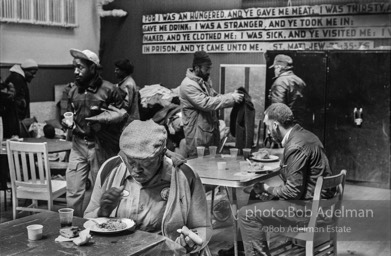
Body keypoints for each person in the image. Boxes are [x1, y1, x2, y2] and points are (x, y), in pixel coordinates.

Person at [84, 120, 212, 255]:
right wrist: (102, 212)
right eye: (131, 161)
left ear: (162, 155)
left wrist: (191, 242)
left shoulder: (184, 176)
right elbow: (86, 221)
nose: (136, 170)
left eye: (146, 163)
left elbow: (202, 227)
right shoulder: (110, 169)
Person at [236, 103, 334, 256]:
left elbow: (293, 191)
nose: (269, 132)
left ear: (275, 125)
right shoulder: (307, 135)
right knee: (256, 196)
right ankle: (245, 249)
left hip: (308, 210)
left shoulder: (295, 145)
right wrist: (272, 193)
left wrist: (267, 189)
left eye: (268, 127)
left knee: (246, 214)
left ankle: (251, 250)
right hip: (319, 204)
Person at [64, 48, 127, 217]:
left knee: (102, 188)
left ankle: (99, 226)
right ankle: (73, 226)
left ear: (92, 68)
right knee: (73, 190)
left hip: (101, 146)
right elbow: (69, 113)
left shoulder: (110, 90)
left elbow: (123, 116)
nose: (76, 71)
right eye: (74, 67)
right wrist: (67, 122)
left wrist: (104, 120)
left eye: (80, 67)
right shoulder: (73, 91)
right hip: (78, 144)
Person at [179, 50, 243, 157]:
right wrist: (231, 98)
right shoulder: (188, 85)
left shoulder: (203, 81)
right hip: (197, 137)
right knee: (199, 166)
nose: (209, 71)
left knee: (211, 165)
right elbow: (206, 103)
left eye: (210, 68)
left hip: (209, 134)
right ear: (197, 68)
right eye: (206, 68)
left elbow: (214, 97)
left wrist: (232, 95)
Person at [268, 54, 306, 126]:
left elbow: (277, 111)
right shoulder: (300, 81)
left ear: (279, 67)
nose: (274, 71)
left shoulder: (279, 82)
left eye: (275, 68)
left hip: (285, 127)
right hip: (299, 126)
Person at [114, 58, 140, 123]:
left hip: (129, 121)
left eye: (117, 70)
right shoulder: (125, 82)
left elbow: (126, 105)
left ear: (124, 71)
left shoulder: (128, 84)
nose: (115, 71)